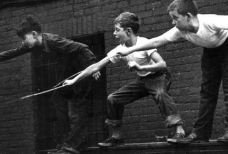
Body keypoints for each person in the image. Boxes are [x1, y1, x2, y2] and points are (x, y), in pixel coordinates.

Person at [117, 0, 228, 144]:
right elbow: (156, 42)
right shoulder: (180, 30)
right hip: (211, 50)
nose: (173, 22)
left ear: (188, 16)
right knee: (207, 91)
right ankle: (200, 133)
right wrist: (129, 50)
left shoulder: (210, 21)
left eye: (175, 18)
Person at [0, 15, 97, 154]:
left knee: (75, 109)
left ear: (33, 34)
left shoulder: (52, 41)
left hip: (83, 72)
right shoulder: (36, 44)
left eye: (24, 38)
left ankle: (73, 145)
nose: (23, 42)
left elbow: (83, 48)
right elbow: (12, 53)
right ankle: (68, 143)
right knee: (57, 101)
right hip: (69, 76)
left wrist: (93, 66)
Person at [64, 12, 186, 146]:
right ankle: (116, 136)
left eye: (117, 30)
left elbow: (162, 64)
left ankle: (179, 131)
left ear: (128, 31)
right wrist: (74, 81)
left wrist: (140, 68)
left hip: (159, 76)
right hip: (143, 81)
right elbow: (96, 67)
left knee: (160, 93)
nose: (114, 34)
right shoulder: (119, 50)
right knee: (113, 99)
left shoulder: (143, 43)